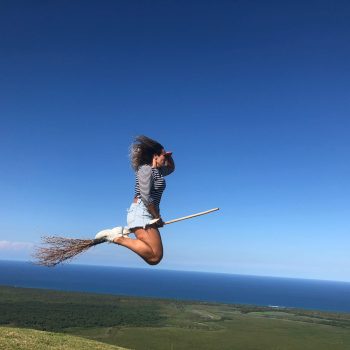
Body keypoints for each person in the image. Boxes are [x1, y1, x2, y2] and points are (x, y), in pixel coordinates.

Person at [95, 135, 175, 265]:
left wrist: (168, 155)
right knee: (155, 257)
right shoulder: (145, 169)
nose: (165, 159)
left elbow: (171, 168)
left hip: (148, 213)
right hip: (142, 211)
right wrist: (157, 216)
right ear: (155, 156)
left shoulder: (158, 171)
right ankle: (116, 237)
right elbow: (145, 196)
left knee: (154, 257)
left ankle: (118, 235)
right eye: (163, 156)